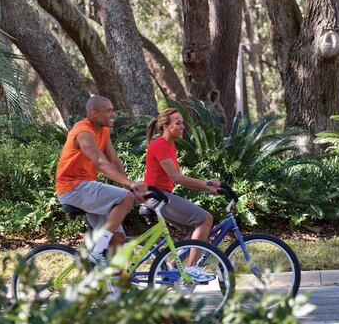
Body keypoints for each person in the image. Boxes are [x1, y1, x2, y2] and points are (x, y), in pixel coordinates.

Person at [56, 96, 146, 264]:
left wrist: (130, 186)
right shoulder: (83, 132)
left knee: (118, 238)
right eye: (109, 111)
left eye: (113, 110)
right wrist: (130, 186)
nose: (113, 114)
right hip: (74, 188)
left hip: (86, 187)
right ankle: (98, 250)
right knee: (126, 198)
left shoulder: (103, 131)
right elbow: (100, 162)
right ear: (94, 113)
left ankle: (116, 287)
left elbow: (113, 160)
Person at [144, 108, 220, 275]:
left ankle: (171, 267)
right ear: (166, 126)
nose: (182, 126)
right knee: (205, 219)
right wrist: (206, 185)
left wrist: (206, 186)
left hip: (161, 196)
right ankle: (192, 269)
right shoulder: (160, 145)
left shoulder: (169, 146)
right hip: (157, 197)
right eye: (178, 123)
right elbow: (176, 177)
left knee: (196, 231)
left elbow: (179, 178)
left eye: (182, 123)